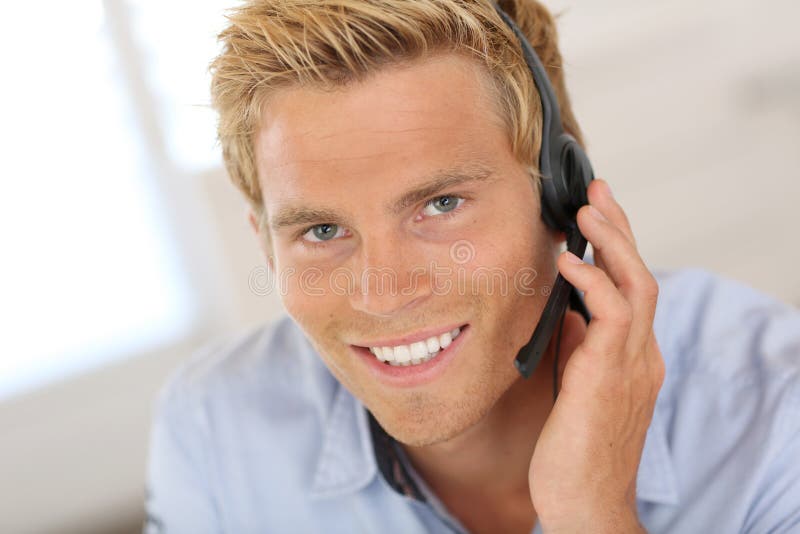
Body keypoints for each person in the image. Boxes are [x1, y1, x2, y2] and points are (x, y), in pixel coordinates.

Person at [143, 1, 800, 532]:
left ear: (564, 194)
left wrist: (592, 517)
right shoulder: (213, 427)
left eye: (441, 204)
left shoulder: (775, 415)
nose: (384, 293)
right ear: (268, 249)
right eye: (321, 230)